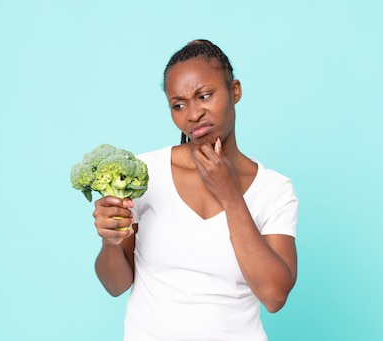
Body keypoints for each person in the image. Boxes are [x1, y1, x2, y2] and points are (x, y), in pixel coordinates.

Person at [92, 39, 299, 340]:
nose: (192, 114)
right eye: (178, 104)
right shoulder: (143, 176)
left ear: (235, 91)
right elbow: (115, 285)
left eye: (204, 96)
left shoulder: (274, 189)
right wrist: (111, 242)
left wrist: (230, 196)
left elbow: (274, 296)